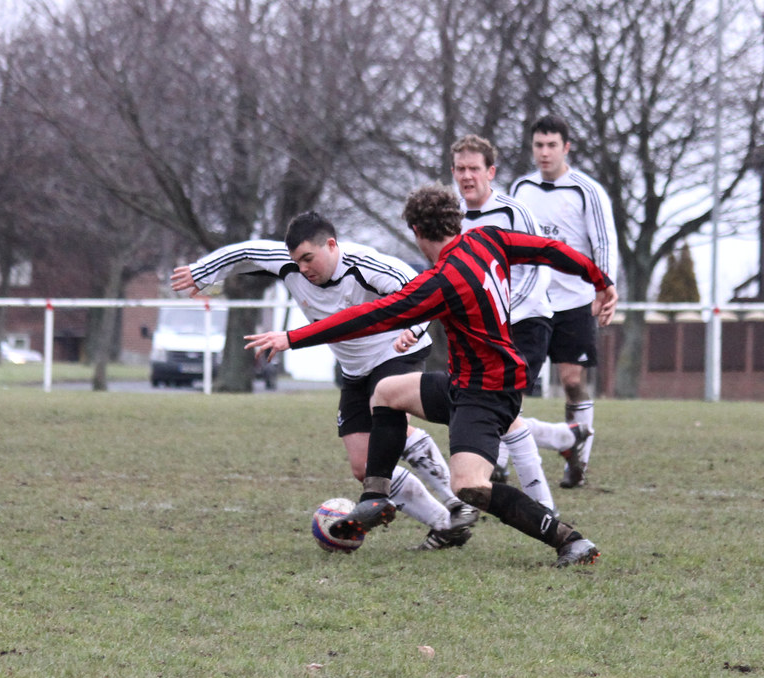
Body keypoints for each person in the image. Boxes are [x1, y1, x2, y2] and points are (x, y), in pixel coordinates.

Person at [245, 183, 617, 567]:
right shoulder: (488, 239)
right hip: (465, 383)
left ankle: (569, 540)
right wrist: (600, 280)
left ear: (417, 231)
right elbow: (550, 249)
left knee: (469, 486)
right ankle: (375, 497)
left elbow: (368, 317)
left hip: (486, 394)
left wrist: (293, 338)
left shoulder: (443, 281)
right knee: (387, 391)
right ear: (457, 219)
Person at [171, 211, 479, 550]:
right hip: (354, 369)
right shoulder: (287, 263)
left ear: (331, 245)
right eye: (297, 261)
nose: (303, 268)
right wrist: (202, 272)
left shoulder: (368, 265)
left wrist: (414, 329)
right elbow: (245, 252)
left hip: (395, 352)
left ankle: (458, 503)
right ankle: (445, 525)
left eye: (309, 258)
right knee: (363, 466)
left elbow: (422, 291)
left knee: (390, 424)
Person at [450, 134, 589, 510]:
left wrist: (503, 311)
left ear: (490, 172)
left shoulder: (514, 213)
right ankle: (563, 438)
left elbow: (539, 267)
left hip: (526, 320)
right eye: (460, 169)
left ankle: (517, 481)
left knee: (503, 402)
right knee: (494, 405)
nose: (467, 176)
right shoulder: (452, 218)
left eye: (474, 168)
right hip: (479, 329)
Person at [510, 115, 618, 488]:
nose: (544, 152)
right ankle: (500, 461)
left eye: (551, 145)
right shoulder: (521, 188)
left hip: (574, 300)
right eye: (538, 145)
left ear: (566, 148)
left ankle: (578, 462)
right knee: (513, 382)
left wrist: (604, 286)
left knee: (572, 380)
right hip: (530, 301)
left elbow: (603, 242)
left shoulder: (587, 191)